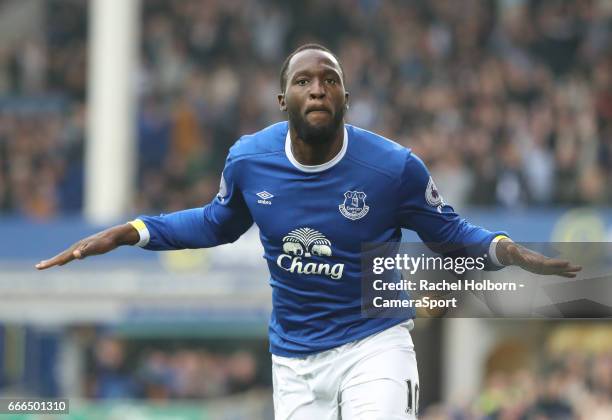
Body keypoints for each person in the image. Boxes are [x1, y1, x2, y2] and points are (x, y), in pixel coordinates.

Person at [36, 44, 581, 419]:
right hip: (293, 359)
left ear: (345, 97)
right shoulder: (249, 159)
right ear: (283, 100)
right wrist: (132, 231)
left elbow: (448, 233)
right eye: (304, 80)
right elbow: (216, 223)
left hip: (374, 343)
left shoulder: (393, 168)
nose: (318, 88)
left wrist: (503, 249)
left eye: (330, 80)